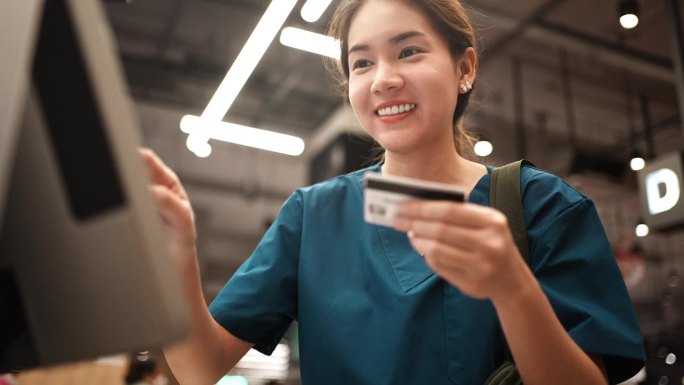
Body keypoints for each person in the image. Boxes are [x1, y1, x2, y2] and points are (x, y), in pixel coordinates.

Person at [143, 0, 646, 384]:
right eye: (362, 64)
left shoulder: (543, 207)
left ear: (465, 68)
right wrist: (178, 256)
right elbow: (199, 368)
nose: (384, 79)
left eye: (409, 51)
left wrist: (513, 291)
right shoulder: (313, 217)